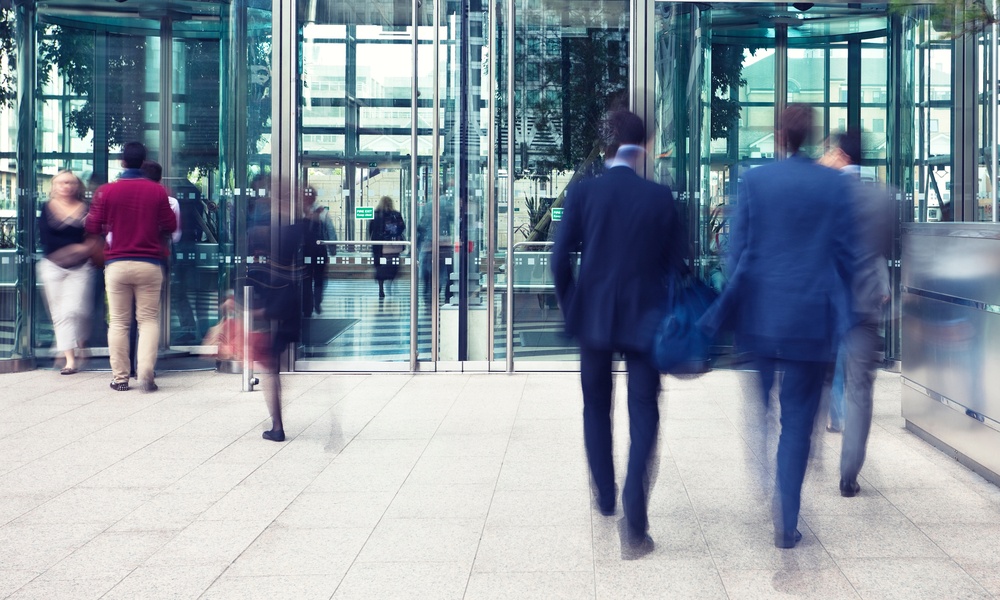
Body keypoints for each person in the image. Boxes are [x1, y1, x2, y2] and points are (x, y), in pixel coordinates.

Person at [700, 104, 862, 549]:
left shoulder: (755, 180)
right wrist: (843, 312)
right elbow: (846, 257)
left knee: (761, 409)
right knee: (797, 423)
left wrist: (731, 306)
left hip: (760, 320)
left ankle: (763, 477)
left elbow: (737, 252)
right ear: (811, 137)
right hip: (810, 322)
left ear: (779, 135)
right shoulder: (832, 185)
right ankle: (785, 516)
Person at [551, 110, 686, 559]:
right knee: (644, 410)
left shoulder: (584, 192)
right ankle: (634, 516)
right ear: (642, 147)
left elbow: (559, 259)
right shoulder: (659, 197)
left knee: (595, 407)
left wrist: (573, 305)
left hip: (594, 319)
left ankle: (606, 497)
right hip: (645, 320)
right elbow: (677, 265)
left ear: (608, 147)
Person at [819, 129, 894, 498]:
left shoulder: (824, 193)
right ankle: (848, 475)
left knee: (813, 378)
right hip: (865, 303)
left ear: (841, 155)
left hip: (825, 305)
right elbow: (882, 251)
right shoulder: (883, 197)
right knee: (860, 390)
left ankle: (804, 453)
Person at [86, 142, 177, 392]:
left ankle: (120, 378)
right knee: (147, 320)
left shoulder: (107, 191)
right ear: (143, 161)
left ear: (123, 162)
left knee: (119, 322)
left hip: (116, 263)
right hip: (149, 263)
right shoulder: (157, 191)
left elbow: (92, 225)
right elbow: (171, 224)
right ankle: (146, 373)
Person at [37, 170, 97, 374]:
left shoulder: (85, 208)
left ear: (77, 186)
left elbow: (93, 236)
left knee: (77, 311)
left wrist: (81, 249)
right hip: (52, 266)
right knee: (61, 313)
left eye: (71, 182)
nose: (66, 186)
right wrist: (76, 248)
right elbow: (46, 239)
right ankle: (69, 359)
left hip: (80, 267)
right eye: (62, 183)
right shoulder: (46, 207)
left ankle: (79, 341)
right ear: (54, 186)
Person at [301, 186, 335, 316]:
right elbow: (330, 230)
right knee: (314, 277)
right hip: (315, 249)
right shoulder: (321, 211)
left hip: (310, 250)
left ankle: (313, 303)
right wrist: (332, 247)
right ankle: (312, 303)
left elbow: (330, 229)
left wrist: (332, 247)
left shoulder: (304, 211)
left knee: (312, 277)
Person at [369, 195, 405, 298]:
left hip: (380, 246)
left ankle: (381, 289)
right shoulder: (396, 214)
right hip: (394, 246)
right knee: (393, 264)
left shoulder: (375, 215)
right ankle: (391, 282)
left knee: (380, 267)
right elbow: (402, 227)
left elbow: (371, 230)